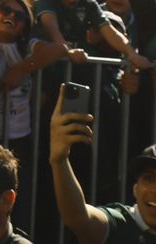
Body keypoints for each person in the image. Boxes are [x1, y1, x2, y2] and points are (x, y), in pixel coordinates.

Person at [50, 84, 156, 242]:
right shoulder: (120, 223)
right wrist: (59, 160)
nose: (154, 189)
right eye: (148, 178)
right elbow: (79, 219)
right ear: (135, 189)